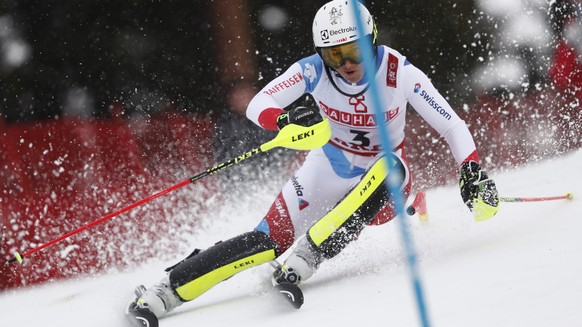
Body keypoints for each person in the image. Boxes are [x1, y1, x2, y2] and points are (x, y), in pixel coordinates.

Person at [126, 0, 500, 324]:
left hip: (383, 188)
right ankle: (167, 290)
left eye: (354, 50)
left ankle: (309, 254)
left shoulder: (398, 72)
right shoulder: (312, 71)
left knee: (391, 167)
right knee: (265, 242)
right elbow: (259, 104)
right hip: (327, 170)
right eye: (335, 55)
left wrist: (470, 170)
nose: (347, 63)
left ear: (371, 40)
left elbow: (452, 125)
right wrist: (284, 120)